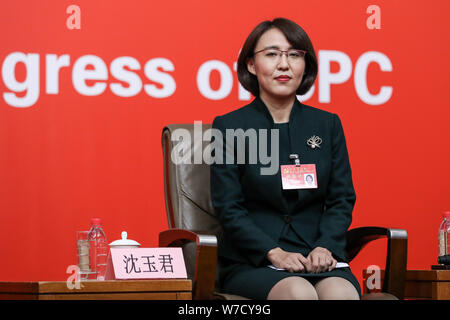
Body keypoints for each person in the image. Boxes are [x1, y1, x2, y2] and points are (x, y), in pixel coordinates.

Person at [210, 18, 360, 300]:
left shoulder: (327, 125)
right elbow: (228, 207)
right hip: (254, 260)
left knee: (341, 293)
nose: (284, 64)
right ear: (251, 65)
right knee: (298, 292)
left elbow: (341, 199)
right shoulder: (230, 127)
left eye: (294, 55)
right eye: (271, 54)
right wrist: (273, 252)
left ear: (306, 65)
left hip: (318, 257)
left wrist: (325, 246)